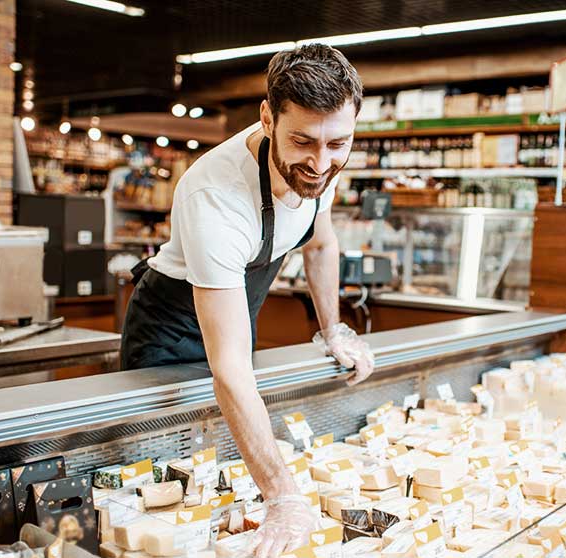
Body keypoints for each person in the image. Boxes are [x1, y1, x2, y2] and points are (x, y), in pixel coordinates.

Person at [121, 43, 375, 557]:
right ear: (267, 117)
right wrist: (283, 498)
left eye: (337, 144)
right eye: (303, 142)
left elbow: (321, 243)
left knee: (222, 469)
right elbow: (231, 370)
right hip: (168, 329)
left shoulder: (321, 162)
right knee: (160, 486)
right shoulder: (213, 196)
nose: (320, 163)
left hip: (233, 312)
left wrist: (333, 329)